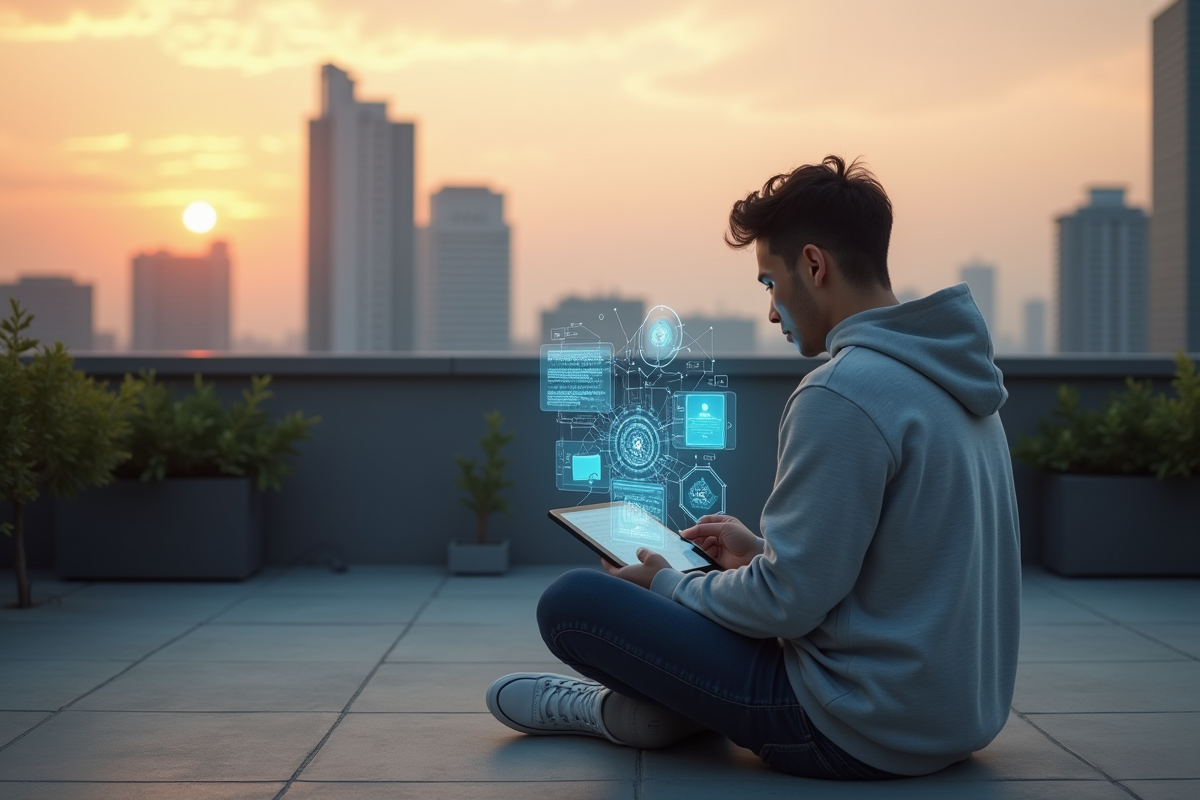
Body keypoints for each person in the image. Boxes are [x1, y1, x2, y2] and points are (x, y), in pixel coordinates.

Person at [485, 155, 1021, 779]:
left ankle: (618, 711)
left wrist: (667, 585)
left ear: (813, 266)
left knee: (573, 602)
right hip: (955, 719)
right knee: (709, 595)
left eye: (770, 282)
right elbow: (897, 567)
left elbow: (788, 606)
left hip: (856, 726)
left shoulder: (840, 393)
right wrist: (759, 551)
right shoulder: (957, 380)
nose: (771, 311)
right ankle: (664, 711)